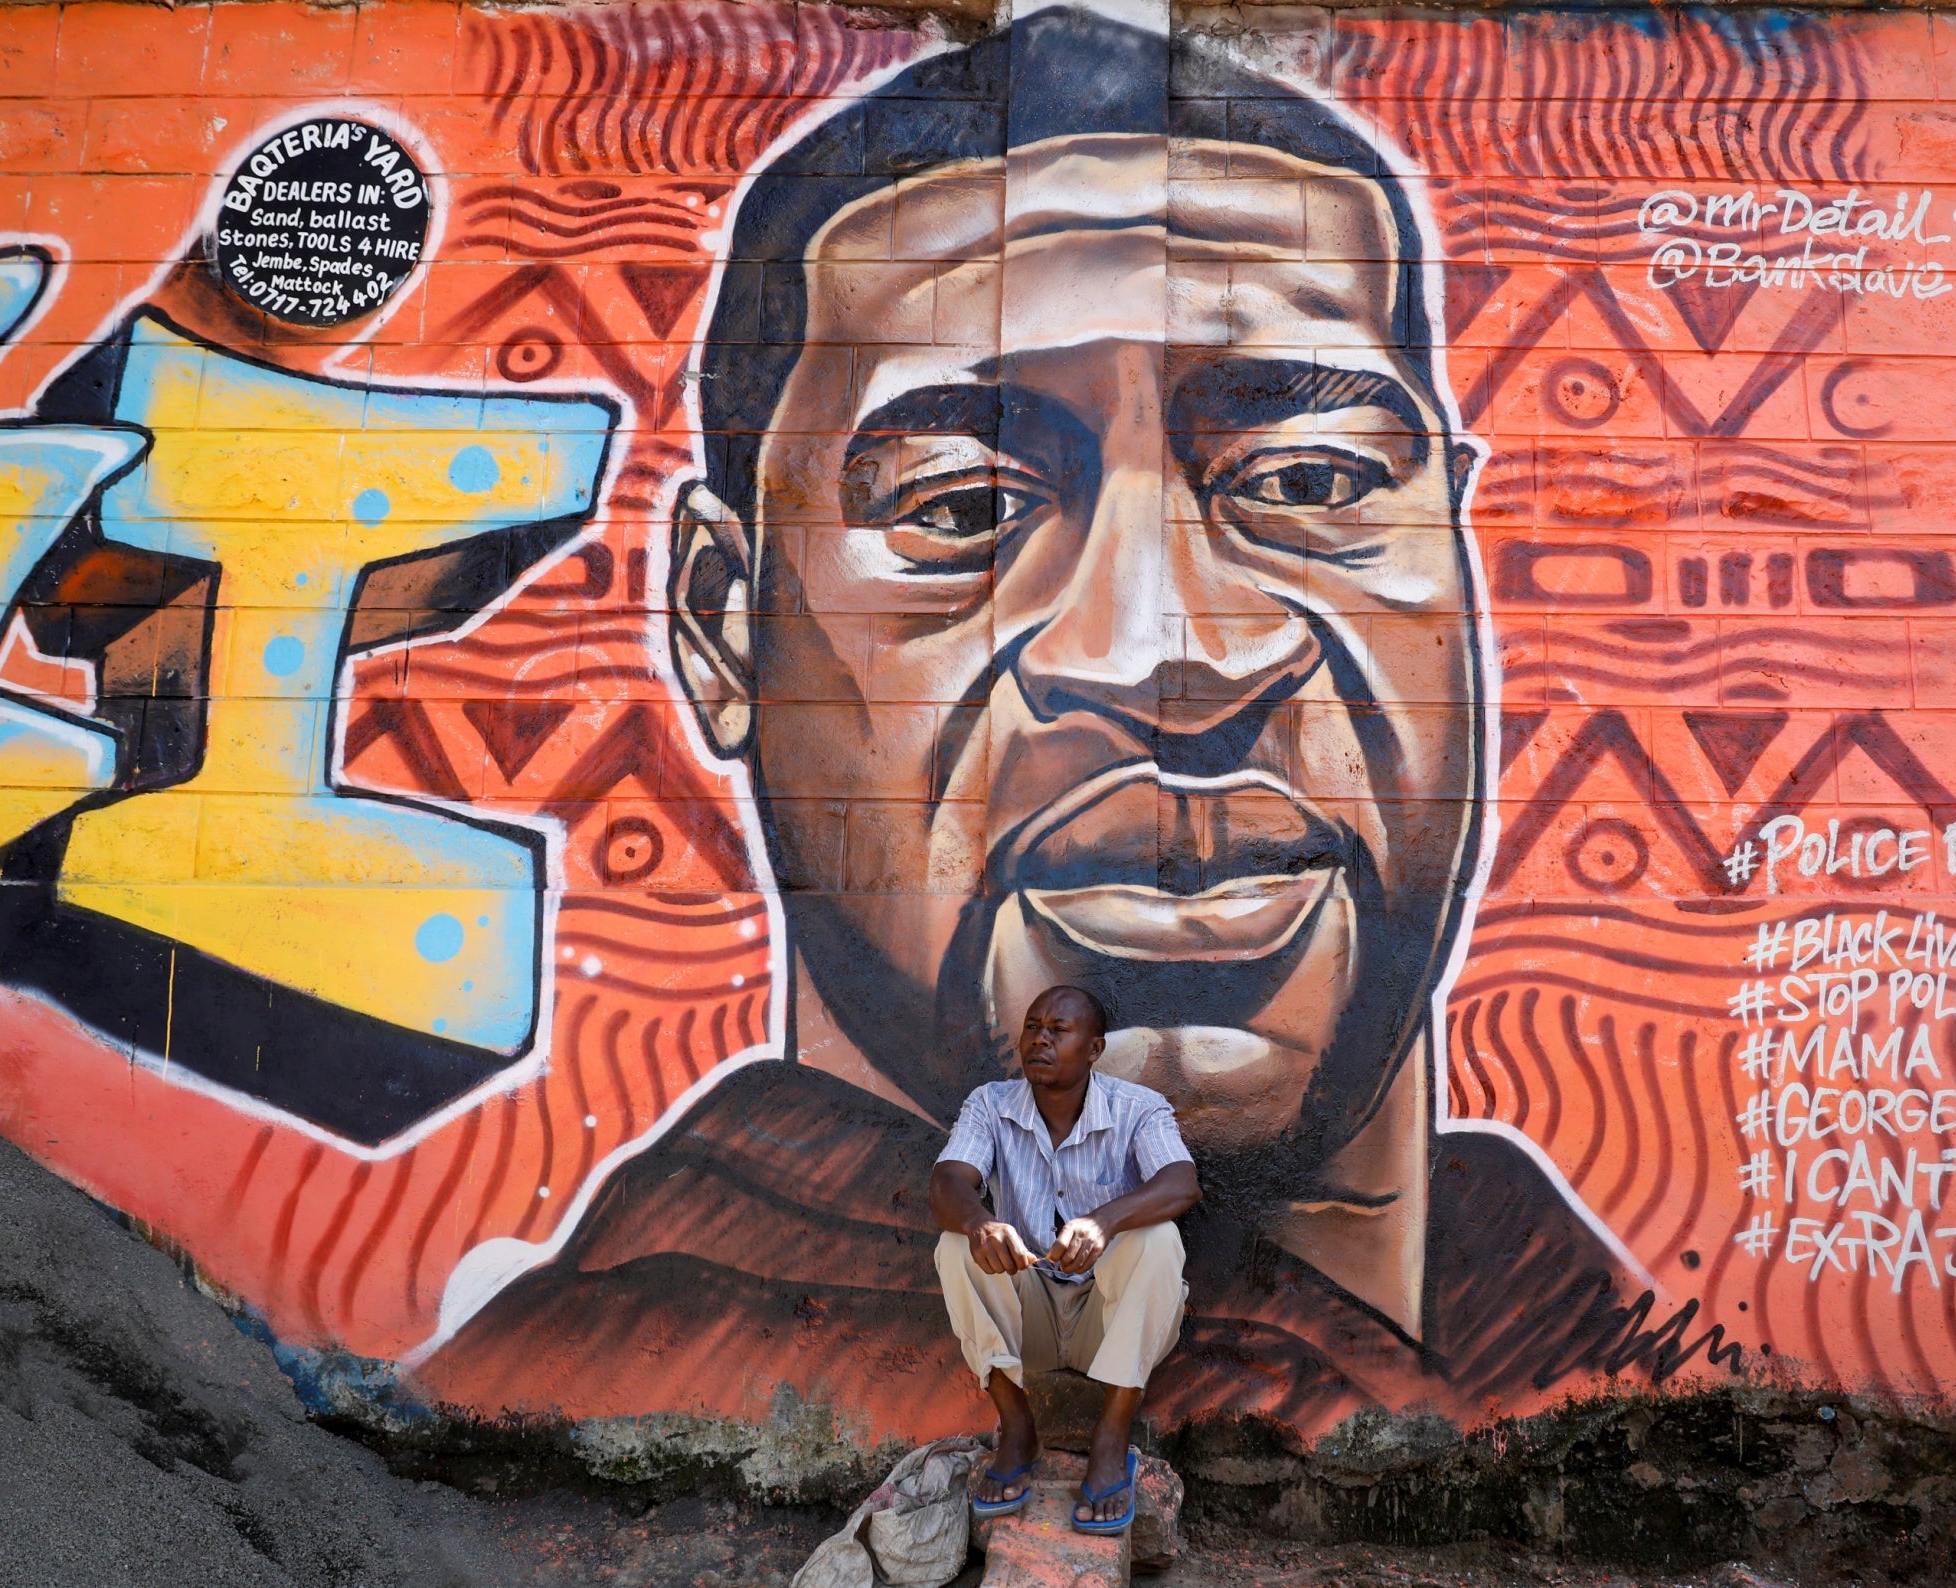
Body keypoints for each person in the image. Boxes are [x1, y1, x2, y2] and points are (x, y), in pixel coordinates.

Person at [415, 4, 1737, 1433]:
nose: (1173, 660)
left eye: (1310, 483)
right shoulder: (609, 1381)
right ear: (725, 628)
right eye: (964, 511)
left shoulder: (1576, 1339)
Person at [931, 985, 1199, 1531]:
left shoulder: (1138, 1108)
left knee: (1159, 1238)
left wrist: (1105, 1221)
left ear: (1095, 1048)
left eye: (1059, 1030)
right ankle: (1016, 1424)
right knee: (956, 1241)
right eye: (1033, 1027)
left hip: (1108, 1321)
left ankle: (1112, 1434)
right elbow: (947, 1182)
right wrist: (981, 1222)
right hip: (1026, 1316)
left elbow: (1182, 1183)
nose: (1041, 1039)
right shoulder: (989, 1104)